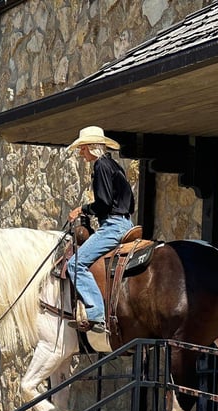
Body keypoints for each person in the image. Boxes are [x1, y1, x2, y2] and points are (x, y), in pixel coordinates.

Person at [66, 126, 135, 333]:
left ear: (91, 147)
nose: (81, 153)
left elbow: (103, 203)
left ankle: (96, 312)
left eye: (83, 148)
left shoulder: (101, 166)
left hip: (113, 226)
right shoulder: (114, 165)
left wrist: (82, 209)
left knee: (74, 265)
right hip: (125, 222)